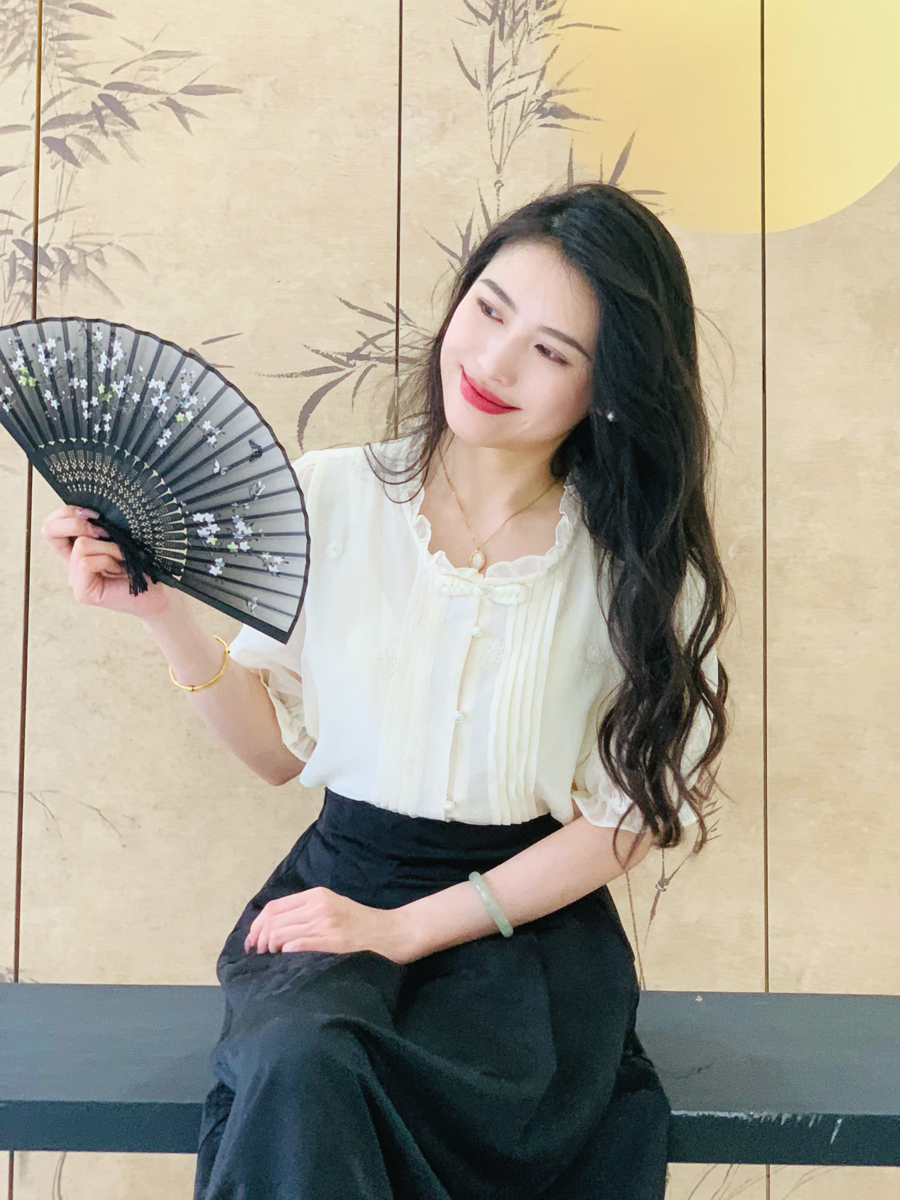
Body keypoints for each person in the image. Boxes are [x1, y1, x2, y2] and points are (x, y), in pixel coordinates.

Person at [41, 181, 730, 1200]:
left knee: (483, 1112)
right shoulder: (328, 494)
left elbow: (626, 822)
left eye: (550, 352)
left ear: (607, 386)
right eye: (489, 309)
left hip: (528, 937)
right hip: (337, 890)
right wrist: (162, 615)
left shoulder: (635, 565)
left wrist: (408, 928)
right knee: (303, 1062)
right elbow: (278, 755)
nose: (493, 363)